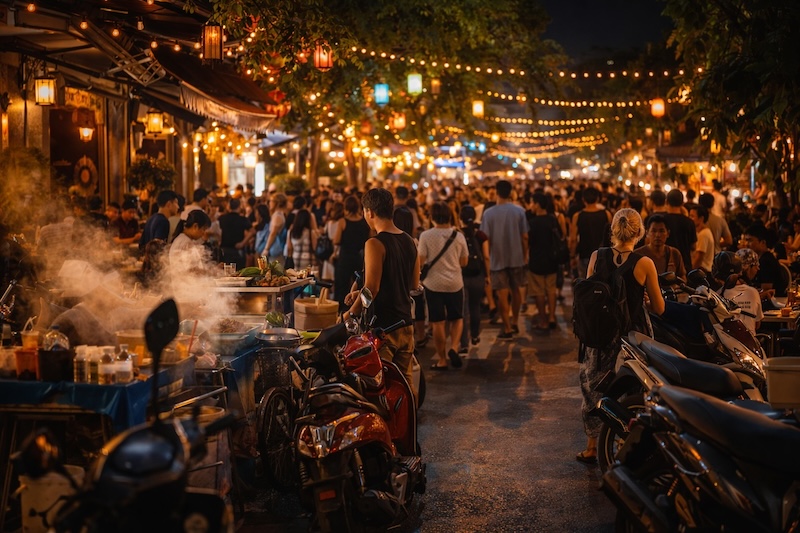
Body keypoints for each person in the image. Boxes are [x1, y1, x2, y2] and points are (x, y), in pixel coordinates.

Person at [577, 208, 665, 464]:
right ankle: (627, 444)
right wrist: (645, 300)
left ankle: (593, 446)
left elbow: (590, 297)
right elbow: (659, 308)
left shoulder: (596, 256)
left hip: (599, 337)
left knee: (594, 389)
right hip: (632, 339)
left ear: (613, 231)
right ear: (639, 232)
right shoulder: (644, 263)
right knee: (632, 391)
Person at [342, 188, 419, 391]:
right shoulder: (410, 241)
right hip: (406, 325)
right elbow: (412, 284)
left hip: (384, 329)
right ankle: (408, 423)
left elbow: (371, 289)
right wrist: (359, 293)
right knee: (405, 385)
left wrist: (350, 314)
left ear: (370, 212)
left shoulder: (375, 243)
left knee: (381, 387)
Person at [418, 202, 468, 370]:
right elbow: (464, 261)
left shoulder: (425, 236)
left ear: (432, 217)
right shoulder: (458, 235)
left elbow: (420, 261)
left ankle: (442, 359)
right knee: (457, 319)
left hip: (433, 284)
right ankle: (454, 347)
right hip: (455, 283)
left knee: (438, 322)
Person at [480, 180, 529, 340]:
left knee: (501, 294)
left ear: (496, 191)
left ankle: (507, 327)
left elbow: (484, 238)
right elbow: (525, 237)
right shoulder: (520, 211)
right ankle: (515, 321)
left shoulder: (488, 214)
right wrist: (525, 254)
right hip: (517, 257)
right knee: (516, 291)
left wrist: (487, 259)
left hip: (497, 258)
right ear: (511, 192)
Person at [527, 192, 561, 330]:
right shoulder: (553, 219)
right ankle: (552, 316)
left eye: (532, 203)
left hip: (536, 260)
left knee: (539, 291)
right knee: (551, 289)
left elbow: (528, 241)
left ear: (537, 204)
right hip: (552, 259)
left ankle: (543, 321)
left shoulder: (532, 222)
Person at [458, 205, 489, 351]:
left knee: (463, 311)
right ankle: (475, 335)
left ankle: (464, 344)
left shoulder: (457, 235)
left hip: (462, 276)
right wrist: (487, 275)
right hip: (478, 275)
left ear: (460, 218)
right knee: (475, 306)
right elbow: (487, 257)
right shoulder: (480, 234)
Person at [334, 195, 370, 309]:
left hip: (345, 257)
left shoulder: (342, 222)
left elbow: (336, 240)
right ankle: (357, 308)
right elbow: (370, 238)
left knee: (342, 286)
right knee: (359, 284)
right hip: (359, 256)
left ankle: (342, 310)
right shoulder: (364, 222)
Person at [569, 186, 612, 279]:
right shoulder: (606, 214)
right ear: (597, 199)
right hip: (603, 254)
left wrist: (572, 256)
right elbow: (611, 235)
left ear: (583, 199)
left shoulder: (578, 216)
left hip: (584, 253)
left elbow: (573, 239)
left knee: (585, 283)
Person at [722, 249, 763, 335]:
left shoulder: (719, 292)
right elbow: (757, 324)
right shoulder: (753, 292)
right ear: (748, 267)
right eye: (756, 265)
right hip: (749, 344)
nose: (758, 268)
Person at [634, 214, 687, 279]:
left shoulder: (674, 253)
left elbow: (682, 276)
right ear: (647, 233)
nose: (657, 235)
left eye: (661, 231)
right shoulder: (638, 254)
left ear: (668, 233)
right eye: (654, 231)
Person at [664, 189, 696, 274]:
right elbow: (693, 246)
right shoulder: (689, 222)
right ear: (682, 203)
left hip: (665, 264)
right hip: (684, 264)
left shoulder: (662, 220)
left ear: (666, 201)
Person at [218, 198, 253, 270]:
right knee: (239, 273)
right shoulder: (242, 219)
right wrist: (243, 243)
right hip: (238, 250)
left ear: (229, 206)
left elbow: (218, 232)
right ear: (239, 206)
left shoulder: (222, 218)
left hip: (225, 249)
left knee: (226, 274)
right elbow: (252, 231)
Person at [689, 205, 714, 272]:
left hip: (702, 271)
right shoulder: (699, 232)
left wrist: (690, 272)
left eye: (692, 216)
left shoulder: (704, 234)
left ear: (701, 218)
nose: (690, 218)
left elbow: (699, 257)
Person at [264, 193, 288, 265]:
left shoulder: (277, 216)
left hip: (276, 250)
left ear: (277, 203)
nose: (269, 203)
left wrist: (266, 249)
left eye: (271, 201)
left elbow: (273, 233)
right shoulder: (279, 215)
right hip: (275, 250)